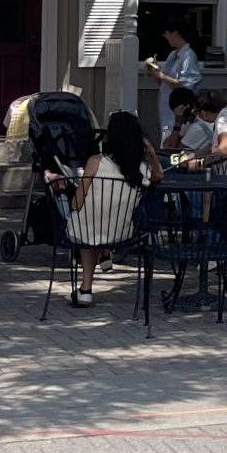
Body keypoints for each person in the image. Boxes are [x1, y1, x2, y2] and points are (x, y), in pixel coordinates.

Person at [64, 109, 160, 308]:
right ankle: (104, 253)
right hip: (121, 232)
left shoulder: (95, 162)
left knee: (88, 226)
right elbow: (159, 175)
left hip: (87, 229)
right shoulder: (141, 170)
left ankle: (86, 288)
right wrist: (151, 152)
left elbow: (76, 203)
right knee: (99, 226)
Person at [141, 22, 204, 140]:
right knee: (166, 140)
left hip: (179, 114)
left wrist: (162, 76)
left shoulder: (188, 56)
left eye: (167, 33)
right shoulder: (172, 55)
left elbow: (185, 86)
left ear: (176, 33)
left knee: (173, 144)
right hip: (166, 111)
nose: (165, 36)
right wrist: (155, 73)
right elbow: (165, 82)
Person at [163, 85, 213, 160]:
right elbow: (166, 144)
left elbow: (171, 152)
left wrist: (177, 123)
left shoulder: (197, 127)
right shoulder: (189, 123)